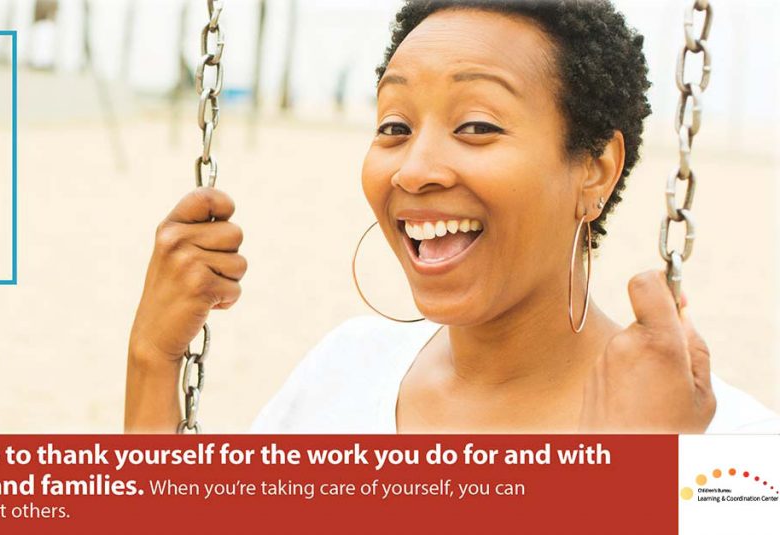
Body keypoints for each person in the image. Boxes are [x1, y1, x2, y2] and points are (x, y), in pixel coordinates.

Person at [125, 0, 780, 434]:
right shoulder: (344, 371)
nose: (414, 169)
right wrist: (154, 359)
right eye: (394, 125)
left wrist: (639, 479)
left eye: (476, 125)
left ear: (596, 170)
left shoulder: (719, 442)